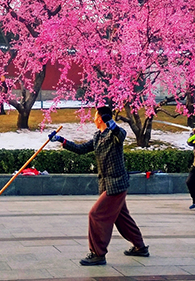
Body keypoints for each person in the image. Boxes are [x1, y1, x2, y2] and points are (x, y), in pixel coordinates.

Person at [48, 106, 149, 266]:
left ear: (101, 118)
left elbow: (120, 134)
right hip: (106, 183)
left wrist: (111, 123)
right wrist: (61, 140)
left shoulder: (114, 134)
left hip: (116, 184)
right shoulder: (97, 136)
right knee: (122, 219)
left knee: (95, 215)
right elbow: (81, 149)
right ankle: (140, 247)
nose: (93, 119)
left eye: (95, 116)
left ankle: (98, 254)